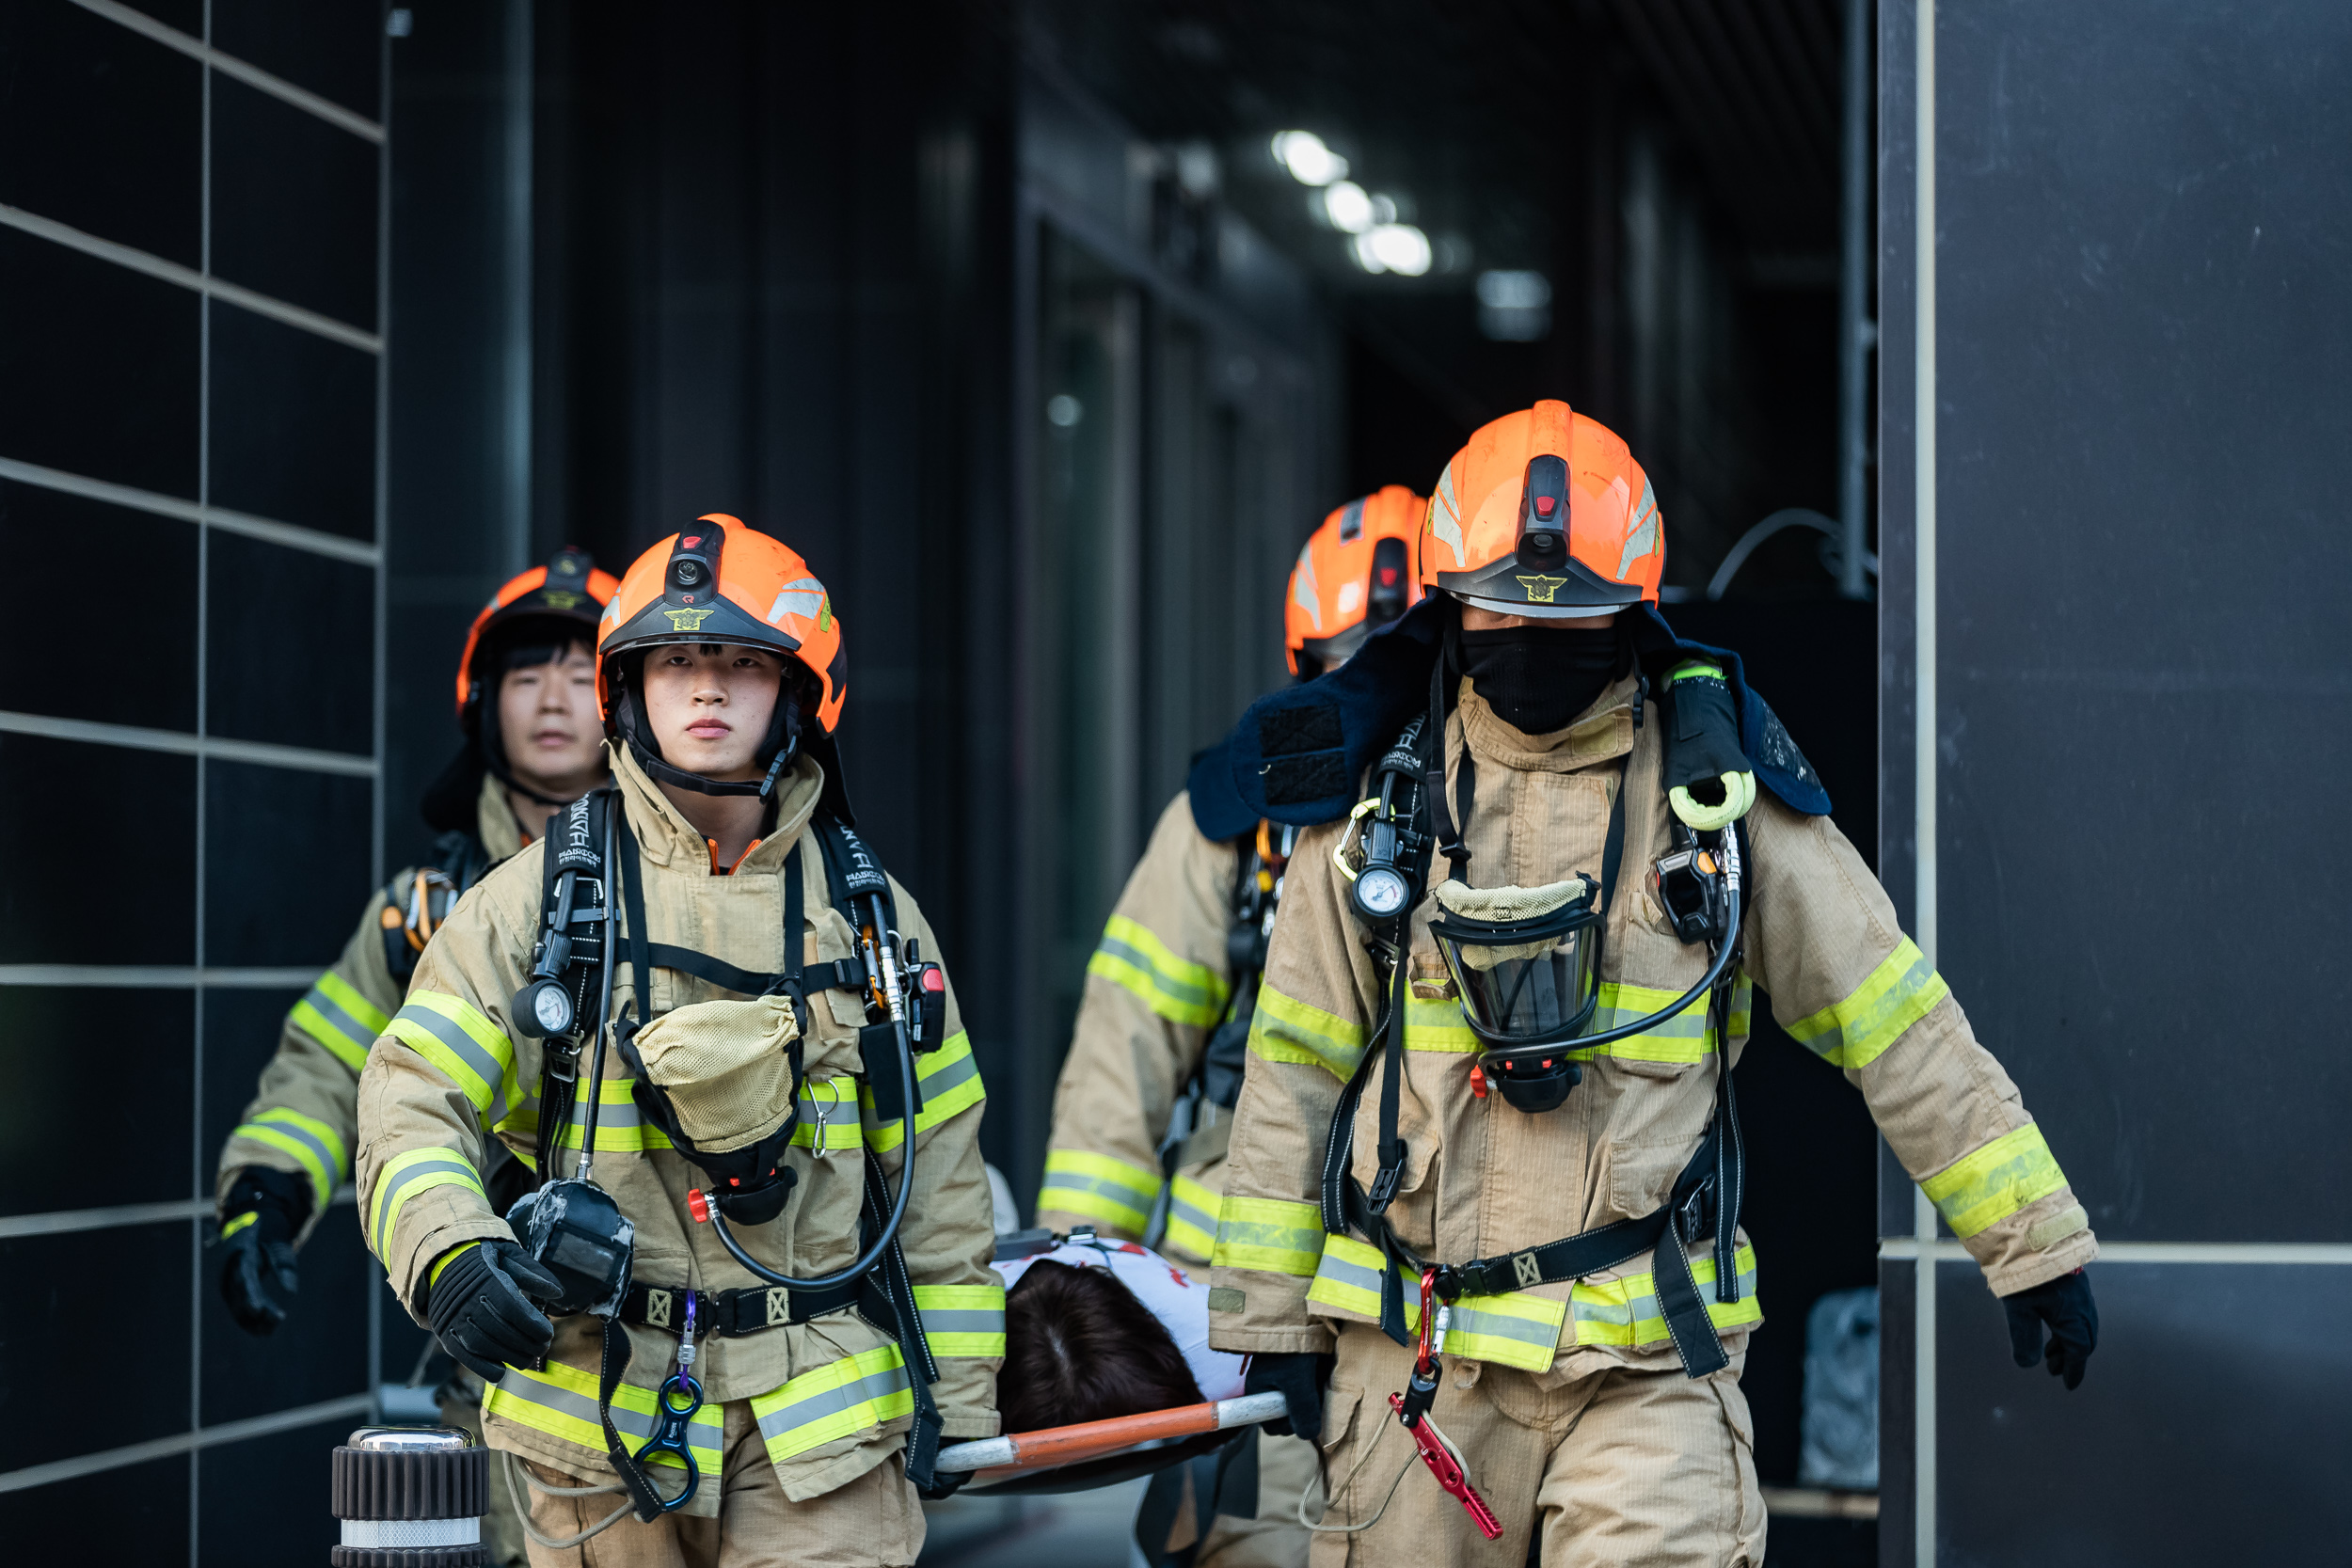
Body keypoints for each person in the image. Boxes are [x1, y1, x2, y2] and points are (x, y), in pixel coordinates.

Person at [1208, 402, 2100, 1566]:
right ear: (1449, 605)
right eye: (1501, 615)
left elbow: (1893, 1017)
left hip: (1644, 1378)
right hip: (1413, 1373)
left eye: (1573, 619)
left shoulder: (1716, 804)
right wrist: (1270, 1323)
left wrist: (2032, 1242)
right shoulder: (1380, 807)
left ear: (1634, 609)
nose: (1534, 645)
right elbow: (1293, 1068)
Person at [357, 515, 999, 1568]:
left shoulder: (870, 915)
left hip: (822, 1428)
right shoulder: (537, 902)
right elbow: (409, 1093)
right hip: (598, 1430)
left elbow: (942, 1175)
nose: (707, 688)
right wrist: (453, 1252)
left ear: (800, 692)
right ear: (631, 690)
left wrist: (964, 1407)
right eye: (678, 661)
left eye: (742, 662)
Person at [1036, 488, 1422, 1567]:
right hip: (1243, 1299)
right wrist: (1080, 1293)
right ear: (1308, 661)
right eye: (1350, 656)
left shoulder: (1496, 802)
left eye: (1401, 649)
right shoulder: (1239, 812)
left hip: (1438, 1294)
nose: (1375, 681)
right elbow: (1125, 1046)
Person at [213, 548, 615, 1562]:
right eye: (527, 674)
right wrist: (266, 1194)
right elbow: (329, 1062)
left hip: (676, 1336)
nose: (555, 698)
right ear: (485, 704)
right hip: (498, 1340)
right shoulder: (420, 913)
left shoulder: (699, 886)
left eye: (581, 671)